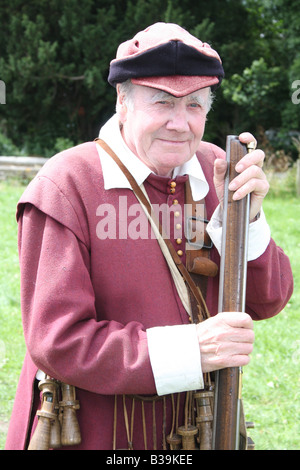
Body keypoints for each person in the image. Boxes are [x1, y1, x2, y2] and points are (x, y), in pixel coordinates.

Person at [5, 22, 293, 450]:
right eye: (162, 102)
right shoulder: (66, 184)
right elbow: (58, 341)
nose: (180, 124)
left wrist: (248, 219)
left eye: (194, 105)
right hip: (95, 434)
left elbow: (268, 298)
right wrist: (192, 350)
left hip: (201, 428)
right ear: (123, 101)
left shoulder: (217, 169)